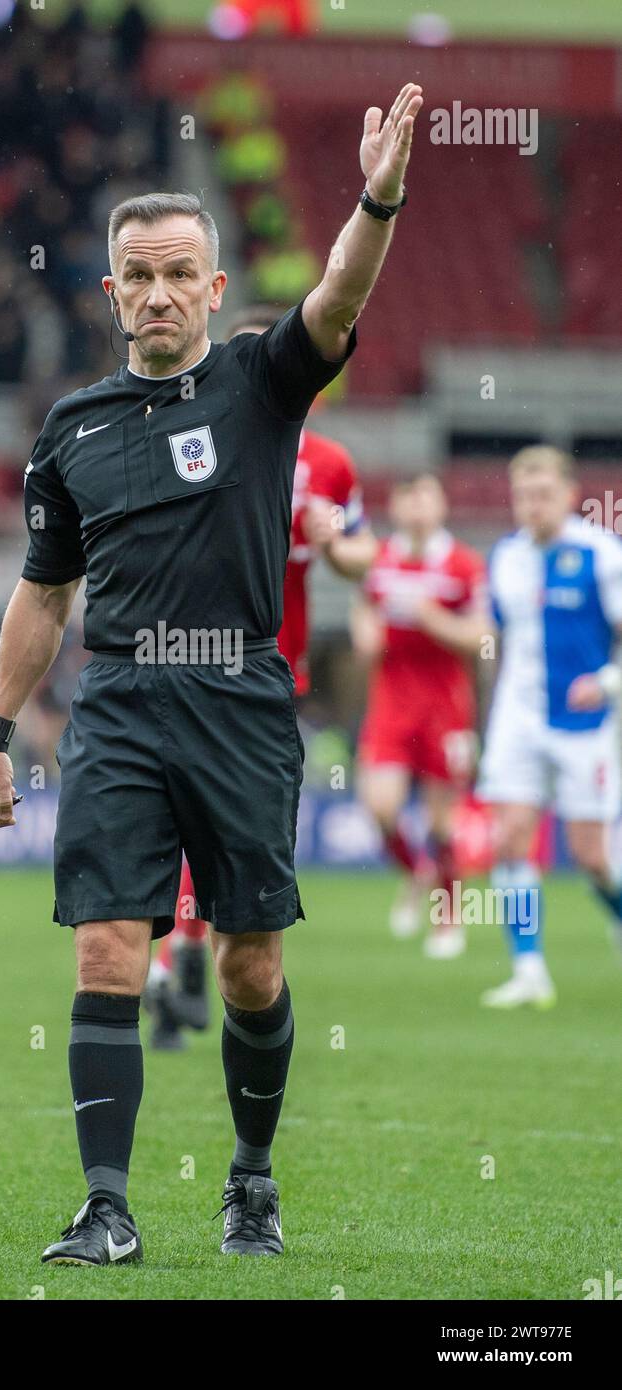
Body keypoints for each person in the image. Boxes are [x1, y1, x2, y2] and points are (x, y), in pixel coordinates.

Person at [0, 82, 423, 1266]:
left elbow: (340, 292)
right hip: (116, 704)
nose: (158, 291)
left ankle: (252, 1179)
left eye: (181, 272)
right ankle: (106, 1206)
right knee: (106, 944)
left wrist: (376, 195)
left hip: (237, 697)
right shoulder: (70, 427)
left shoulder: (262, 381)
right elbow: (45, 588)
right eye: (138, 273)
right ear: (109, 288)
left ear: (214, 290)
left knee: (247, 960)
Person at [145, 302, 376, 1051]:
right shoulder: (194, 447)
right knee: (195, 817)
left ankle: (177, 960)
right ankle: (176, 953)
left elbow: (362, 558)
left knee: (229, 827)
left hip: (277, 671)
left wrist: (332, 543)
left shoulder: (329, 464)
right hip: (196, 659)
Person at [477, 446, 622, 1008]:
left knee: (592, 857)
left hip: (586, 723)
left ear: (568, 493)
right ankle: (529, 969)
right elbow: (492, 637)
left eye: (543, 493)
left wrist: (606, 683)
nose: (532, 505)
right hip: (518, 718)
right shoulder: (506, 557)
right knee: (510, 837)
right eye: (522, 495)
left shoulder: (602, 554)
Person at [352, 474, 487, 958]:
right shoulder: (381, 560)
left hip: (447, 708)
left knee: (442, 822)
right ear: (397, 505)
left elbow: (483, 637)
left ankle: (448, 914)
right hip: (391, 703)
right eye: (407, 497)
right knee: (381, 809)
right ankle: (417, 874)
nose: (416, 507)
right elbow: (364, 606)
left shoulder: (464, 565)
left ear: (442, 504)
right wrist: (365, 632)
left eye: (425, 496)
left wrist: (436, 621)